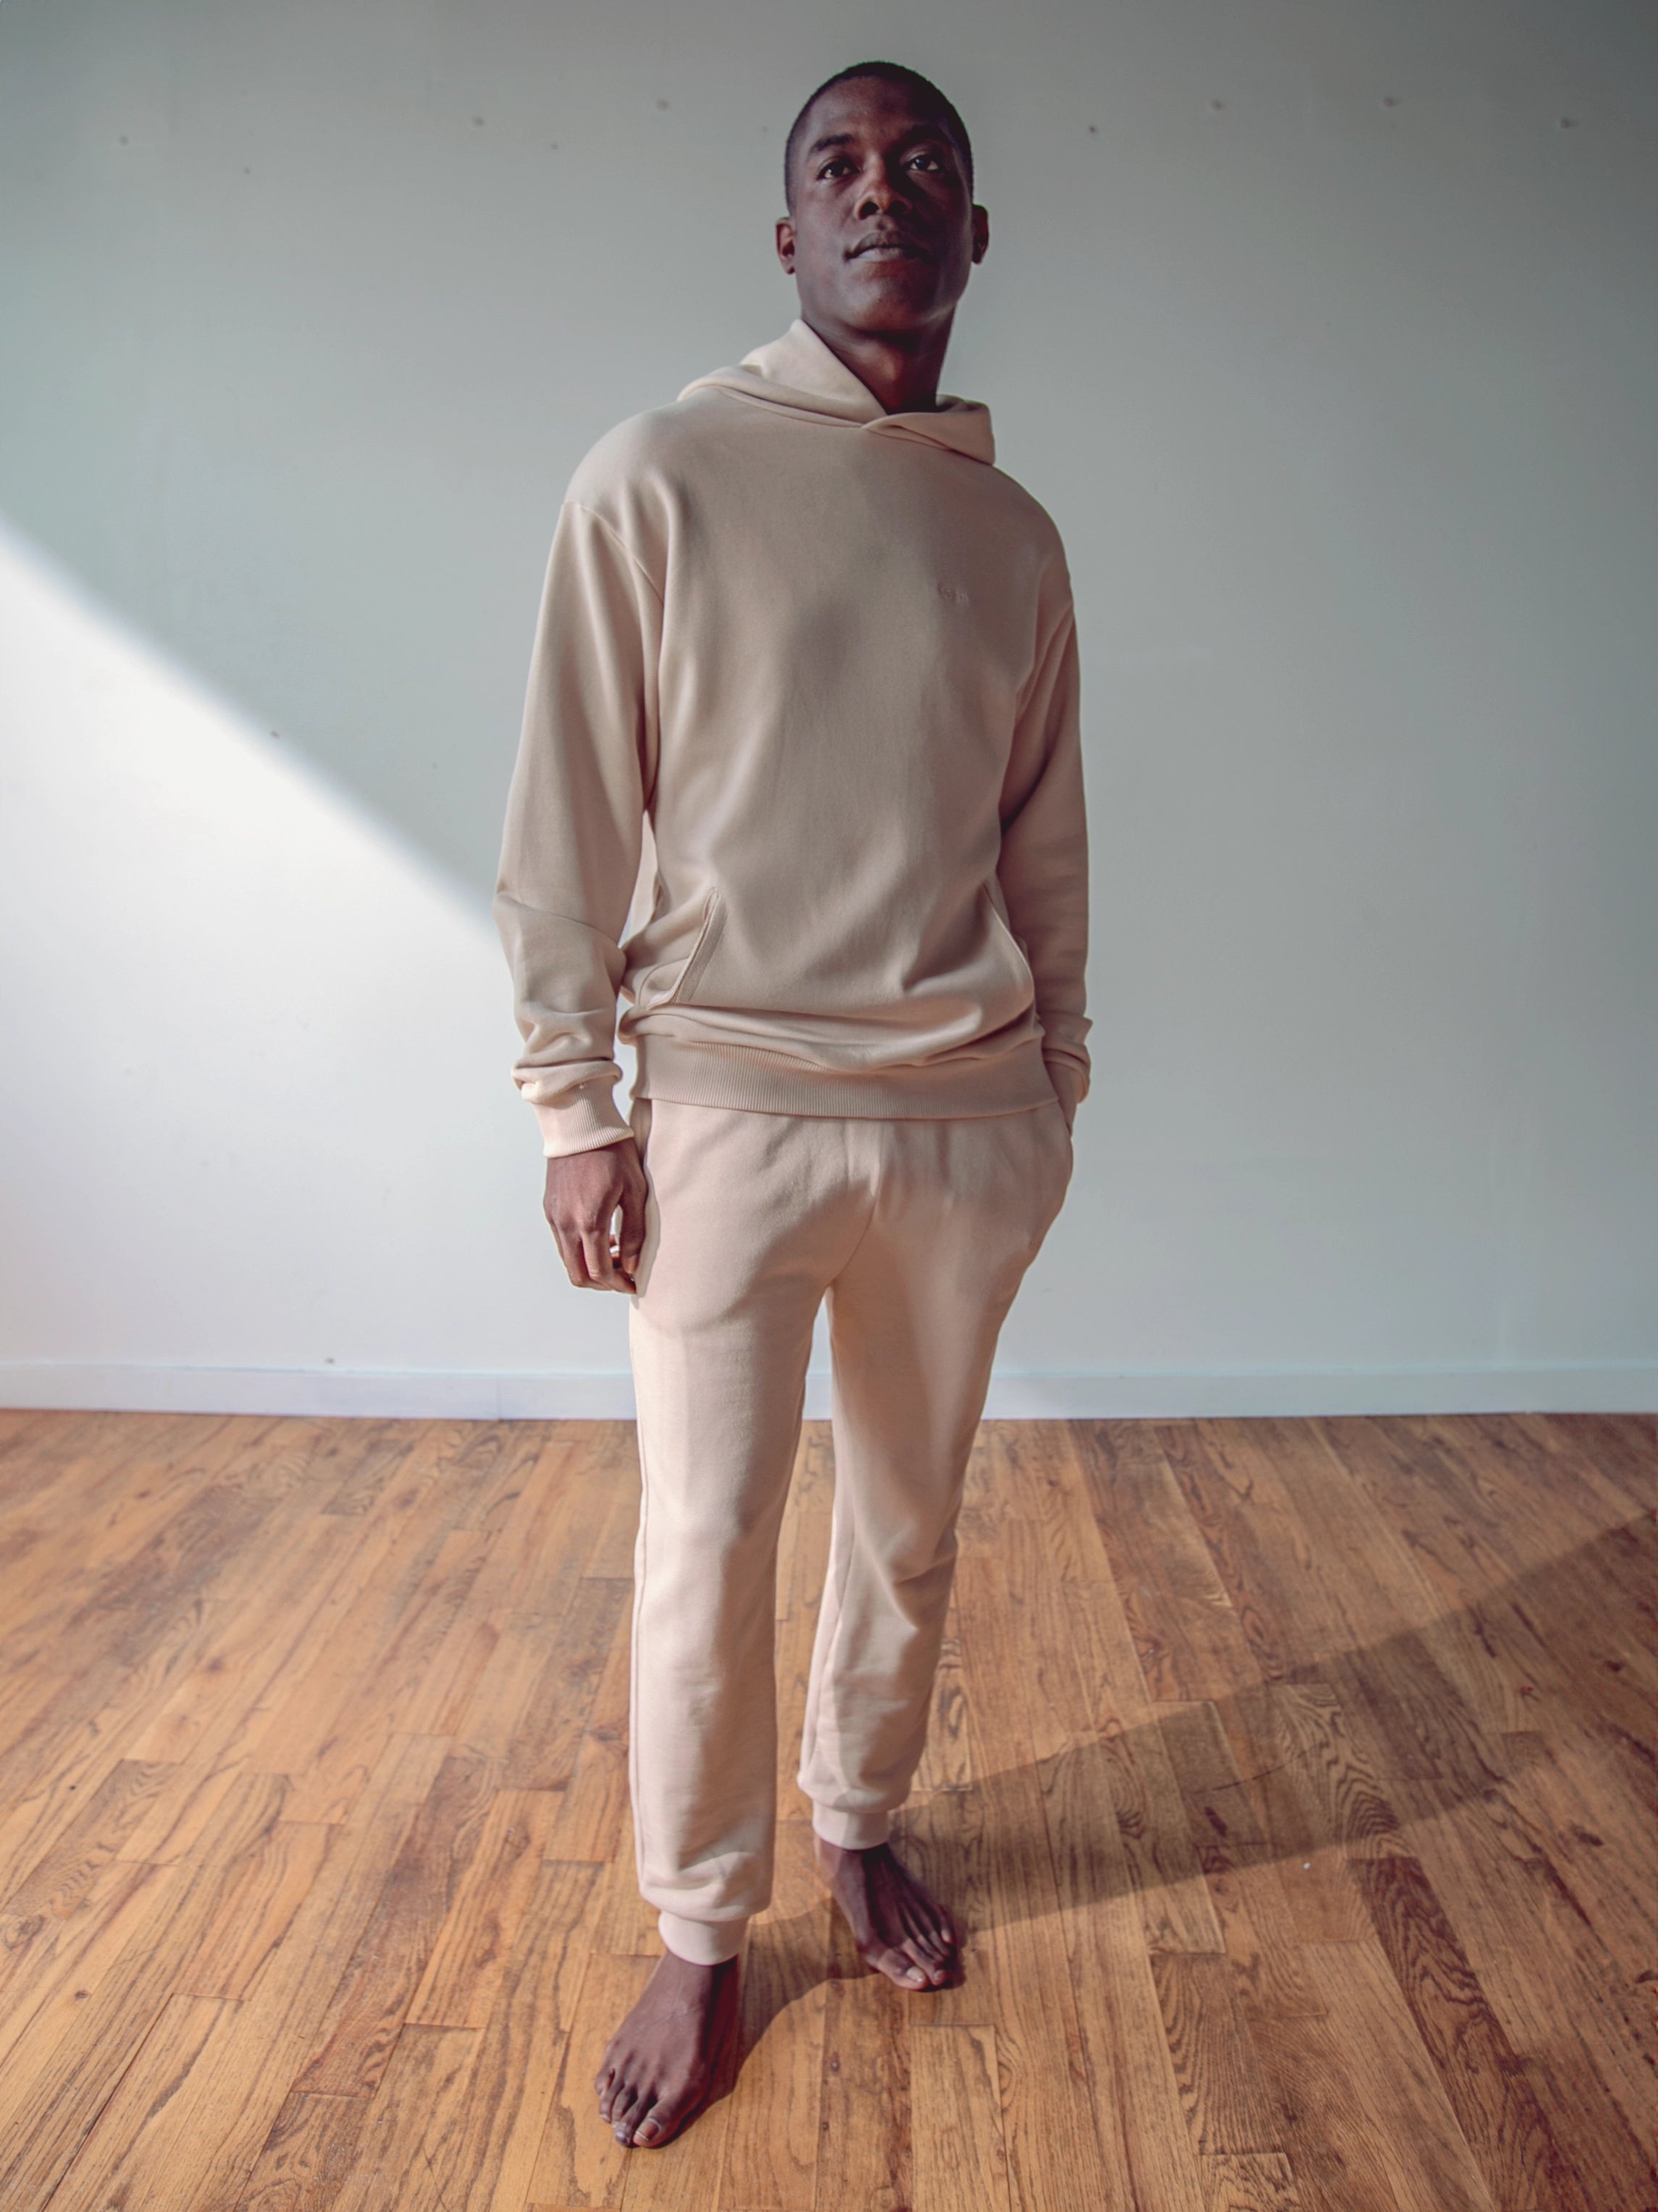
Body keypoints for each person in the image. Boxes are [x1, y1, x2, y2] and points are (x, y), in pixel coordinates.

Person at [493, 58, 1090, 2150]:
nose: (881, 193)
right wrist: (578, 1104)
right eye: (836, 166)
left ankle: (856, 1825)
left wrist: (1054, 1087)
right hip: (730, 1115)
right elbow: (566, 813)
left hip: (964, 1123)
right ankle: (698, 1927)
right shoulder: (653, 473)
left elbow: (1045, 843)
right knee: (705, 1539)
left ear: (973, 231)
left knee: (908, 1529)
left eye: (925, 165)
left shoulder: (1007, 528)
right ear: (781, 232)